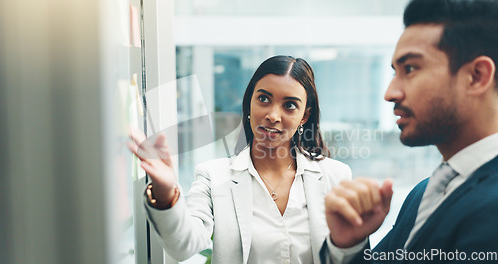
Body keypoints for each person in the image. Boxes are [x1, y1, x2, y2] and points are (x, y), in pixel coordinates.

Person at [320, 0, 498, 263]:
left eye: (410, 69)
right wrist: (348, 245)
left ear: (476, 76)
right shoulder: (425, 192)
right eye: (395, 72)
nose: (390, 93)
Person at [128, 55, 352, 263]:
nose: (273, 115)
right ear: (249, 104)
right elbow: (182, 246)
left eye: (289, 105)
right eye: (264, 99)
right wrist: (166, 193)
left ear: (304, 115)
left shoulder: (336, 177)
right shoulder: (213, 176)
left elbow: (350, 254)